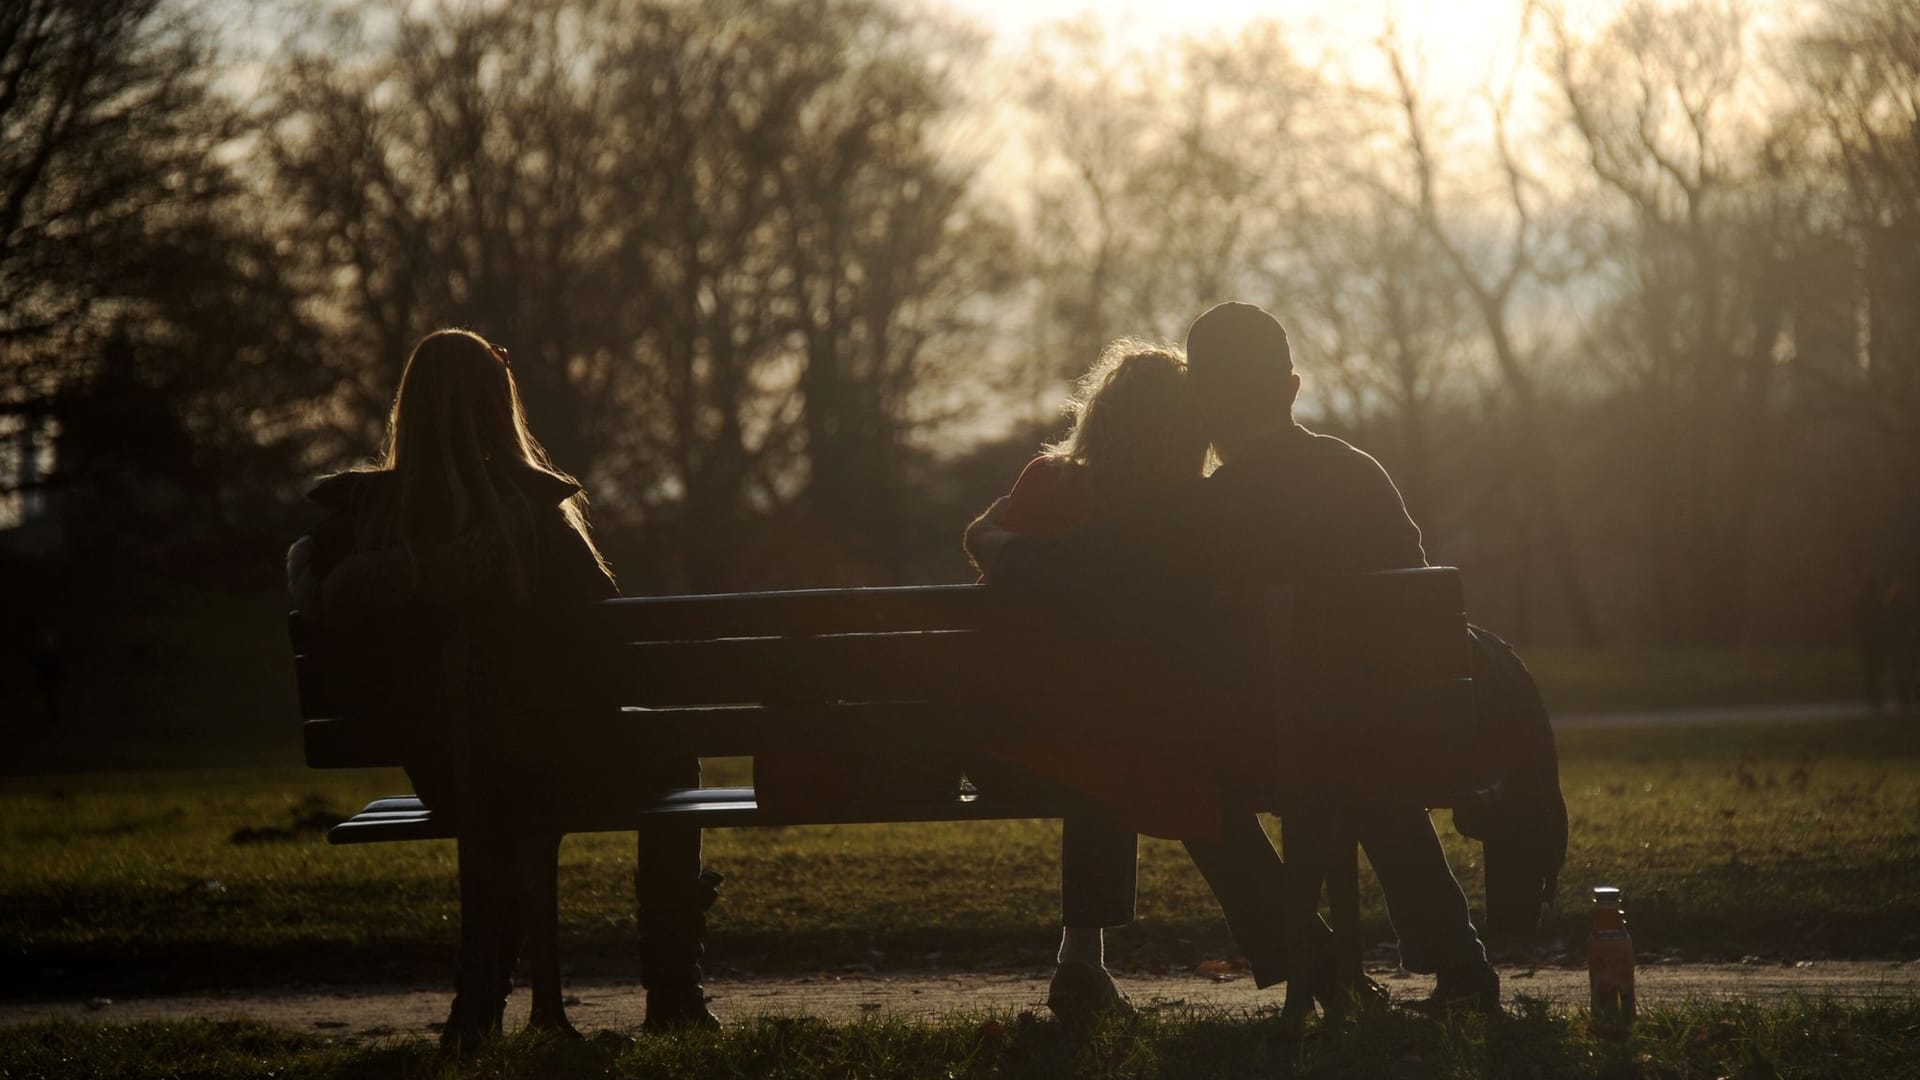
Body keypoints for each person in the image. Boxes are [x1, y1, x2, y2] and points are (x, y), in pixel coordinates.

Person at [967, 302, 1502, 1014]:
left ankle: (1309, 961)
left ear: (1209, 404)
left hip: (1275, 747)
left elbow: (1089, 564)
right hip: (1404, 734)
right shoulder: (1360, 474)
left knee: (1191, 774)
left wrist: (999, 544)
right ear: (1292, 389)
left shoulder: (1210, 511)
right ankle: (1461, 972)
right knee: (1367, 759)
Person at [287, 329, 721, 1048]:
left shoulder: (354, 526)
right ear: (499, 404)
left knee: (495, 770)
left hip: (445, 774)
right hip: (550, 765)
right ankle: (673, 990)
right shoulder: (531, 513)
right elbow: (612, 639)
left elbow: (329, 620)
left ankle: (479, 1007)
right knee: (672, 765)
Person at [965, 340, 1228, 1020]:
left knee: (1095, 740)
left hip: (998, 747)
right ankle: (1082, 961)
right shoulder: (1175, 510)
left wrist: (986, 531)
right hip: (1114, 746)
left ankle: (1083, 964)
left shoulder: (1046, 482)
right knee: (1107, 745)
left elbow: (988, 548)